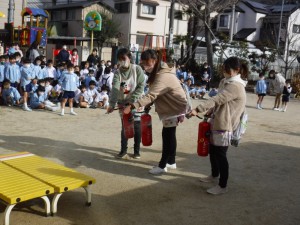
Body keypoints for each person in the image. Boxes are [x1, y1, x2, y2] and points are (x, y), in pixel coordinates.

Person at [188, 57, 247, 195]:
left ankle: (222, 185)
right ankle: (214, 175)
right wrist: (210, 110)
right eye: (224, 69)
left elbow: (217, 99)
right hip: (217, 121)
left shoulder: (236, 86)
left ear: (237, 70)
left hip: (225, 125)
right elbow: (219, 102)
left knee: (221, 155)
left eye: (227, 70)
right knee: (213, 152)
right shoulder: (226, 82)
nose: (224, 72)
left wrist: (198, 109)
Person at [123, 49, 187, 174]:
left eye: (148, 64)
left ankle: (163, 165)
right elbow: (155, 95)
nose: (146, 67)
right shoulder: (160, 72)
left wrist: (132, 106)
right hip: (174, 107)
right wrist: (147, 106)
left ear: (155, 61)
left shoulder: (163, 75)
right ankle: (171, 161)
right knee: (170, 134)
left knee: (167, 135)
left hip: (173, 107)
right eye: (144, 64)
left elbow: (151, 95)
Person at [107, 48, 145, 159]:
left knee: (137, 126)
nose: (122, 61)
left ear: (129, 57)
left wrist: (132, 101)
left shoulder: (137, 69)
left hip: (136, 101)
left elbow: (141, 86)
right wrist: (112, 104)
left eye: (124, 58)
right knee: (125, 126)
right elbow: (115, 88)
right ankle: (123, 150)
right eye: (119, 59)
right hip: (122, 102)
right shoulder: (118, 72)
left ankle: (136, 151)